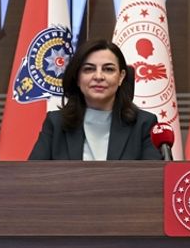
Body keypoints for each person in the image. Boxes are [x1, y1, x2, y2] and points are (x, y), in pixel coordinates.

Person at [28, 38, 160, 161]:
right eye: (89, 69)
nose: (98, 76)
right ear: (77, 77)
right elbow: (32, 173)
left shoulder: (144, 124)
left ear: (121, 77)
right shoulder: (56, 123)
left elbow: (154, 175)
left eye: (108, 69)